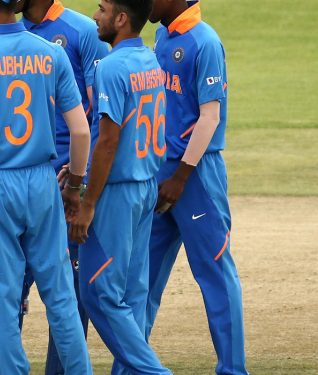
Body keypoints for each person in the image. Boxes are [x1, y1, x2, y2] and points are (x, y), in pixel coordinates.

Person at [0, 0, 93, 372]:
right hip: (43, 180)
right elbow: (81, 130)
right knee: (60, 294)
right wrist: (74, 184)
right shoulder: (51, 55)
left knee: (3, 297)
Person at [69, 0, 171, 373]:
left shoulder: (110, 67)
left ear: (121, 19)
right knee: (133, 292)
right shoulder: (150, 60)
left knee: (98, 293)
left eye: (102, 9)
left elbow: (109, 140)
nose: (95, 16)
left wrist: (88, 201)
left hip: (117, 192)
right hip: (146, 185)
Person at [146, 1, 247, 374]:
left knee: (215, 273)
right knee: (144, 277)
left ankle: (233, 370)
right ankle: (131, 366)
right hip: (160, 172)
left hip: (195, 175)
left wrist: (181, 176)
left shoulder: (205, 42)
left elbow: (210, 116)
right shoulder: (161, 36)